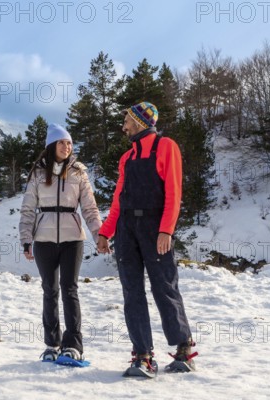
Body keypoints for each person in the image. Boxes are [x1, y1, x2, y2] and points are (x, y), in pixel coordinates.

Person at [97, 102, 198, 375]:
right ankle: (143, 355)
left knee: (164, 286)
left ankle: (183, 349)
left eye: (127, 120)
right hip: (127, 228)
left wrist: (166, 229)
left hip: (155, 226)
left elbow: (173, 193)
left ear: (141, 121)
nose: (124, 126)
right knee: (132, 291)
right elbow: (118, 200)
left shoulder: (166, 146)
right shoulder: (126, 158)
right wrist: (106, 231)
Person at [19, 123, 101, 362]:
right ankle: (52, 344)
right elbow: (27, 210)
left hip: (72, 240)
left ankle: (73, 344)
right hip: (43, 240)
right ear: (51, 146)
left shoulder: (78, 173)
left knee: (69, 289)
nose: (67, 147)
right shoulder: (37, 174)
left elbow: (90, 208)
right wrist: (26, 239)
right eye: (62, 142)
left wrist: (99, 235)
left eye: (69, 143)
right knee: (49, 291)